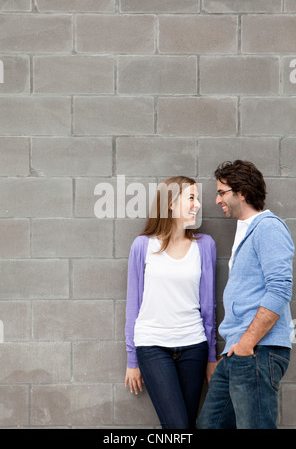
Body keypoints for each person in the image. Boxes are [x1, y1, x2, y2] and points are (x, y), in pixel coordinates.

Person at [197, 160, 295, 430]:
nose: (217, 200)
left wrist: (246, 344)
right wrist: (232, 350)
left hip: (256, 351)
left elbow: (280, 289)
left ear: (242, 192)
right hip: (238, 353)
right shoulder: (246, 231)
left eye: (221, 192)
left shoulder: (268, 227)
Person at [124, 176, 217, 429]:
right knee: (177, 426)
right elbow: (134, 304)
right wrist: (132, 358)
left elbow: (209, 307)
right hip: (152, 346)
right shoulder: (142, 246)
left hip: (194, 346)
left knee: (186, 426)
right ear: (169, 203)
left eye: (198, 199)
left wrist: (211, 355)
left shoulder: (205, 245)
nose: (197, 204)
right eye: (191, 198)